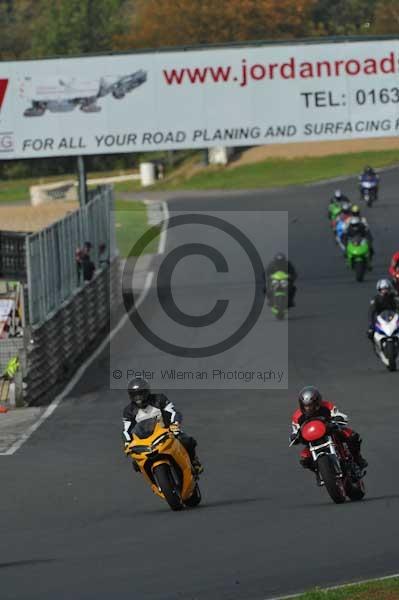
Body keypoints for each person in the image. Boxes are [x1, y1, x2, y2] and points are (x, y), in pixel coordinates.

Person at [122, 378, 203, 474]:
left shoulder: (159, 399)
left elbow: (173, 412)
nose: (138, 398)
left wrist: (174, 424)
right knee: (136, 464)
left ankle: (194, 462)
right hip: (144, 441)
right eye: (134, 395)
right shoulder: (129, 411)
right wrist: (127, 443)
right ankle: (155, 483)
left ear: (147, 392)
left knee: (187, 441)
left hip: (167, 432)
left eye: (140, 394)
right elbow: (127, 430)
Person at [290, 385, 368, 470]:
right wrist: (294, 436)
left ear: (317, 402)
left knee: (352, 436)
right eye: (306, 405)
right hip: (312, 441)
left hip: (330, 432)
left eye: (311, 405)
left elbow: (338, 414)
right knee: (305, 459)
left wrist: (338, 418)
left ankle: (357, 458)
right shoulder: (297, 416)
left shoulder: (327, 406)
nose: (309, 408)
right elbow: (295, 430)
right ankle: (319, 473)